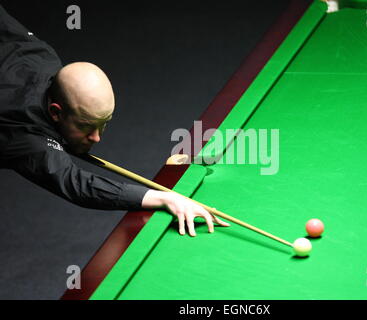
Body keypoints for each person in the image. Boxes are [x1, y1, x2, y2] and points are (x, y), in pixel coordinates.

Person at [0, 5, 229, 236]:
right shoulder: (28, 137)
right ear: (56, 112)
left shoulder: (39, 54)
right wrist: (163, 198)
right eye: (85, 126)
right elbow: (78, 185)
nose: (97, 137)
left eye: (104, 123)